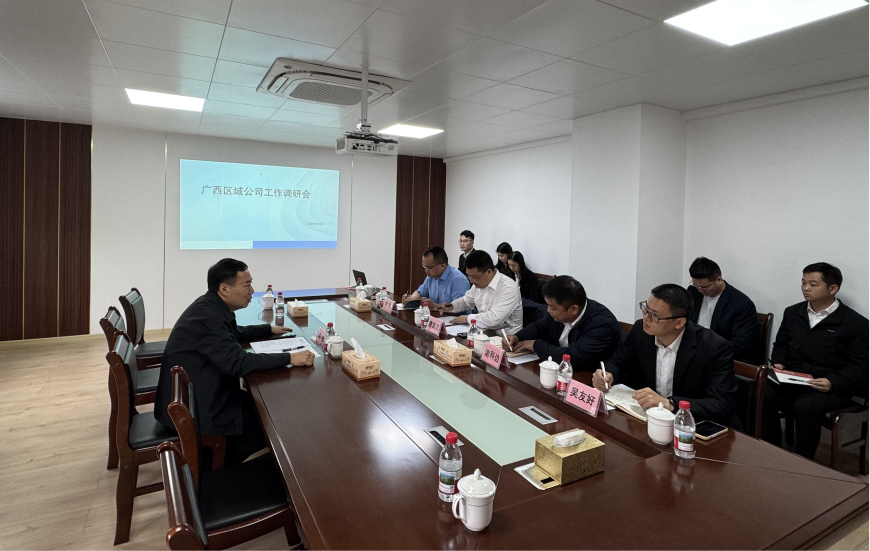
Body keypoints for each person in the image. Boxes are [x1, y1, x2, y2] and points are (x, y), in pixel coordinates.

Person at [154, 258, 315, 465]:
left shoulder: (210, 306)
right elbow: (238, 363)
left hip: (197, 395)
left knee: (266, 407)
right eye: (247, 285)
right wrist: (290, 357)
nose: (252, 291)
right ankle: (223, 469)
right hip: (197, 410)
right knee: (273, 423)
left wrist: (267, 329)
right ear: (224, 289)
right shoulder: (208, 317)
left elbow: (232, 333)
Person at [593, 284, 740, 428]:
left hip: (693, 426)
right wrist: (607, 374)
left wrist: (670, 403)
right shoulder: (640, 331)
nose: (646, 318)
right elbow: (617, 361)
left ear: (679, 322)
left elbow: (722, 405)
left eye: (654, 315)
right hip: (648, 420)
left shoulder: (714, 347)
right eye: (645, 309)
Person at [762, 263, 870, 459]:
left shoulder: (856, 324)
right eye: (803, 283)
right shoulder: (793, 312)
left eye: (813, 284)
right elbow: (781, 345)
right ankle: (772, 451)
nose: (805, 288)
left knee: (805, 407)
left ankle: (802, 461)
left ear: (833, 288)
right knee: (762, 392)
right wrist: (779, 363)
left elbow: (861, 366)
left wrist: (832, 382)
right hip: (796, 378)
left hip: (829, 385)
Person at [503, 276, 620, 372]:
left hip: (587, 378)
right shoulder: (559, 314)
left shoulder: (602, 324)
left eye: (552, 308)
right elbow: (538, 327)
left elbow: (571, 357)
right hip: (559, 372)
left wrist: (535, 345)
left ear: (573, 309)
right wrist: (517, 337)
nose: (548, 310)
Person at [687, 257, 761, 364]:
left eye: (704, 287)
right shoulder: (693, 291)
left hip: (723, 356)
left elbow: (741, 343)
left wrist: (706, 352)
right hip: (695, 350)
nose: (700, 290)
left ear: (719, 280)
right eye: (696, 286)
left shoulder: (741, 304)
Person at [441, 250, 523, 334]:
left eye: (474, 277)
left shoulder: (508, 287)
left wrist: (467, 318)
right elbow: (466, 301)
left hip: (505, 337)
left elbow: (494, 319)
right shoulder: (478, 283)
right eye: (469, 276)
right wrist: (452, 306)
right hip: (483, 333)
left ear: (489, 272)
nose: (471, 281)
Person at [401, 245, 470, 305]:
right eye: (424, 267)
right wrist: (412, 298)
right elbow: (421, 292)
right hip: (435, 316)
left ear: (442, 266)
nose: (426, 270)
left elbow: (459, 310)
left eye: (429, 267)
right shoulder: (431, 277)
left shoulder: (458, 280)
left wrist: (435, 307)